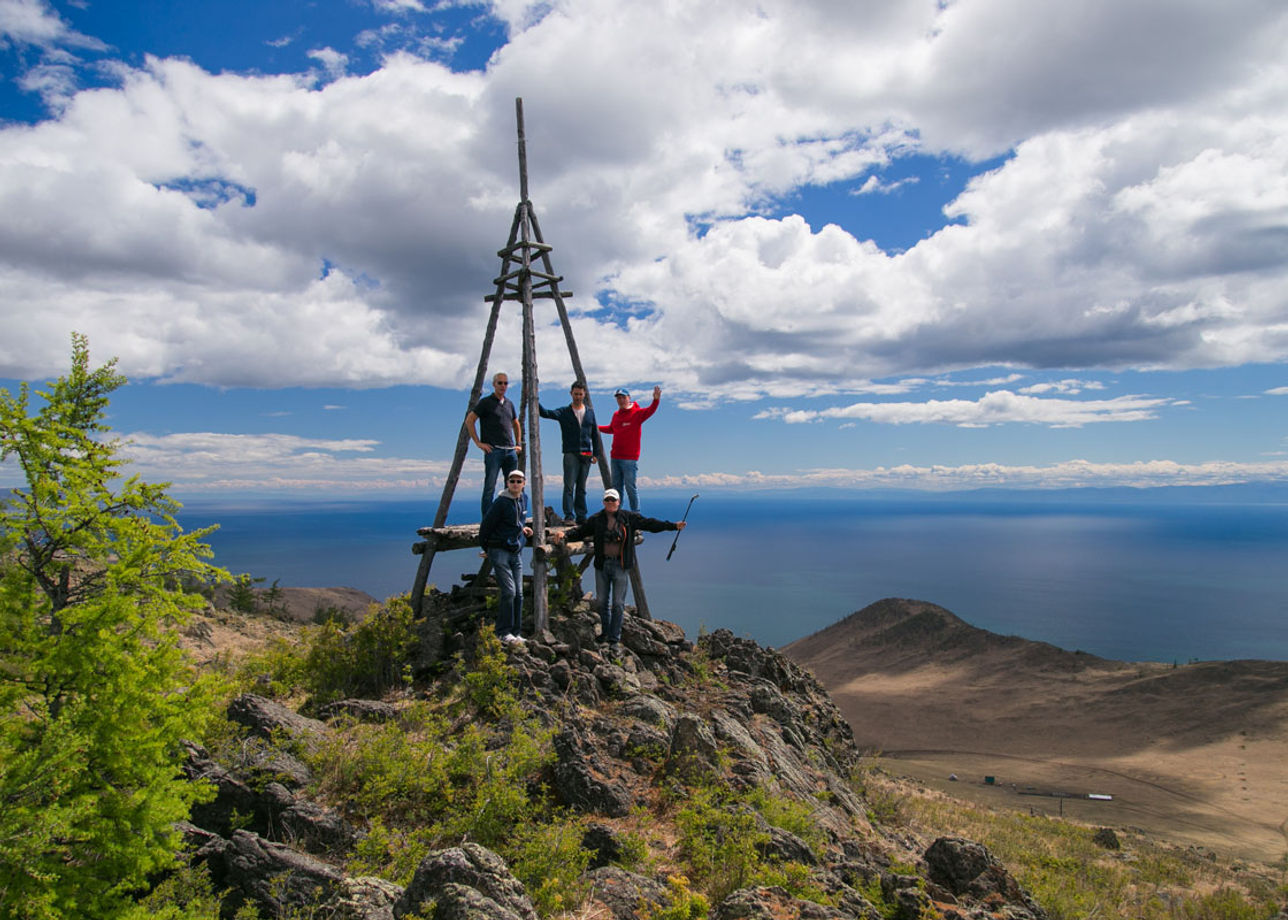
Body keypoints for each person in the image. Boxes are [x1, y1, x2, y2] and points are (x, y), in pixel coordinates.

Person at [553, 488, 685, 649]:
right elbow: (581, 531)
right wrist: (564, 536)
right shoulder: (597, 519)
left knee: (618, 603)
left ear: (618, 502)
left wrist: (672, 526)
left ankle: (614, 639)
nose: (610, 503)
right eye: (607, 500)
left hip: (620, 565)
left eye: (613, 500)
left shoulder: (628, 518)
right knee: (601, 602)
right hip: (602, 565)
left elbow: (650, 523)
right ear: (604, 502)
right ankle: (605, 634)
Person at [478, 469, 533, 643]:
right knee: (509, 591)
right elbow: (486, 526)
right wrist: (487, 548)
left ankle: (515, 633)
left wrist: (523, 530)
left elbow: (518, 521)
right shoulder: (501, 502)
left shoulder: (524, 499)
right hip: (499, 551)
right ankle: (503, 632)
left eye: (519, 481)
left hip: (515, 551)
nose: (515, 484)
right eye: (512, 481)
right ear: (507, 483)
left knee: (519, 594)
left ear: (524, 483)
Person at [538, 380, 599, 524]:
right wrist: (534, 399)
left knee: (582, 487)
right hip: (570, 452)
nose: (578, 396)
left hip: (586, 454)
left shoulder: (590, 412)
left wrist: (596, 454)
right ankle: (569, 516)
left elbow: (595, 434)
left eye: (580, 394)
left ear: (584, 394)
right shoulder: (564, 412)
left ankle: (581, 516)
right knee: (569, 486)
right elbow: (545, 413)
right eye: (575, 394)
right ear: (571, 394)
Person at [465, 372, 522, 519]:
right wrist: (478, 443)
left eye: (505, 383)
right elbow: (470, 421)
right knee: (490, 487)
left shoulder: (509, 404)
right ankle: (488, 520)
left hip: (510, 451)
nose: (503, 386)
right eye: (500, 383)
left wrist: (518, 444)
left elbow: (516, 424)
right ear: (494, 385)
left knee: (512, 487)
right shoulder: (486, 402)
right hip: (494, 450)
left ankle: (508, 517)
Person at [599, 384, 661, 512]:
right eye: (618, 398)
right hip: (615, 456)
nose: (620, 400)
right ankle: (617, 514)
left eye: (623, 397)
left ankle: (635, 515)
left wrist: (656, 399)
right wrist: (597, 428)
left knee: (630, 487)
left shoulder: (637, 413)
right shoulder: (616, 415)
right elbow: (612, 429)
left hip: (629, 458)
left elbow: (651, 410)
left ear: (629, 398)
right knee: (616, 488)